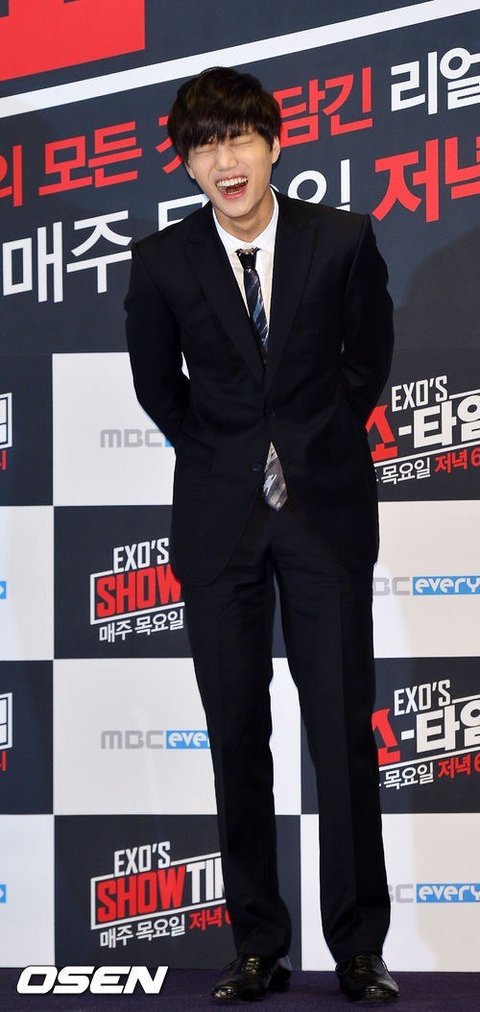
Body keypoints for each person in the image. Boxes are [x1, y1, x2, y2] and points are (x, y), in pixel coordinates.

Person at [125, 66, 399, 1004]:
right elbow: (158, 387)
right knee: (236, 733)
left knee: (342, 733)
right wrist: (231, 454)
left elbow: (367, 359)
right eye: (204, 145)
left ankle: (358, 946)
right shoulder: (163, 261)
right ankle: (256, 945)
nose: (225, 161)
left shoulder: (342, 238)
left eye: (239, 138)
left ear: (275, 144)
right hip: (220, 526)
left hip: (324, 516)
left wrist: (311, 443)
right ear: (186, 163)